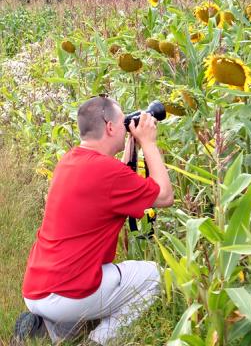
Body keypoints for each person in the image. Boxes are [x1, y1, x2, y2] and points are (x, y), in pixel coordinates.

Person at [14, 95, 173, 345]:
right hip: (69, 291)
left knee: (84, 308)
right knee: (154, 276)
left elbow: (117, 180)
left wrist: (132, 143)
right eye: (123, 122)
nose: (125, 126)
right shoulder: (107, 173)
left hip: (37, 289)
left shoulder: (70, 161)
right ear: (110, 127)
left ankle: (43, 329)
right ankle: (98, 341)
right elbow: (164, 195)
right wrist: (149, 142)